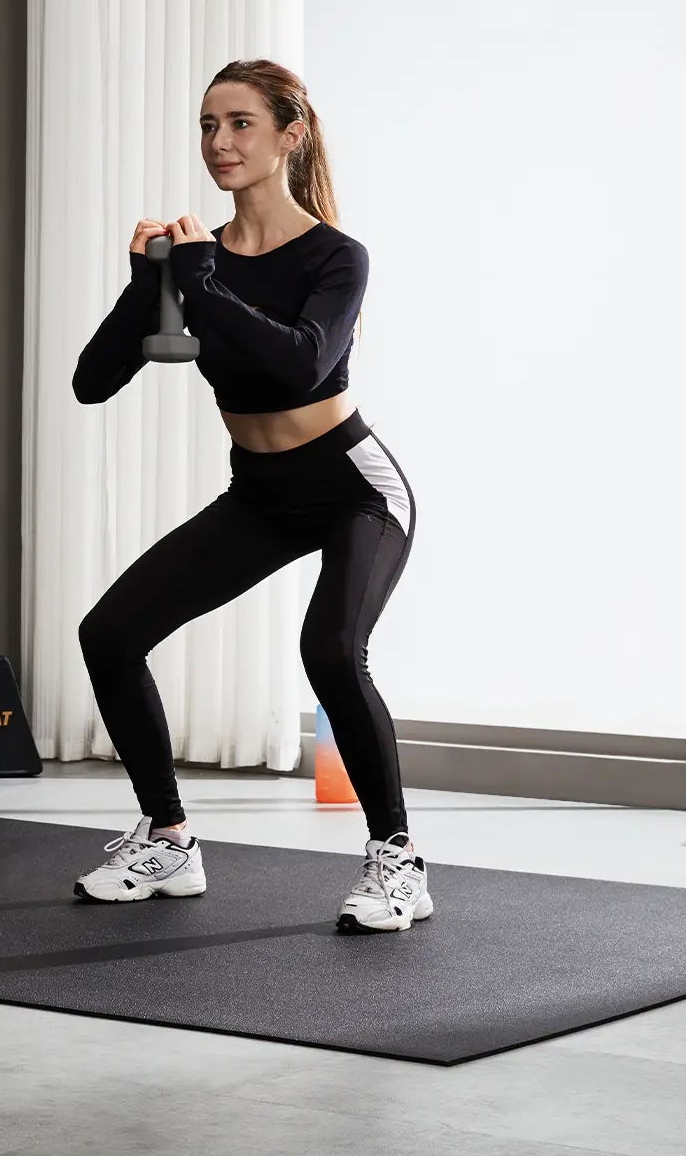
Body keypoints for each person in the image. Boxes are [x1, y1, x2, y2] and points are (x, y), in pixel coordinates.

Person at [67, 60, 426, 932]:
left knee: (331, 651)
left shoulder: (335, 256)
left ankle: (399, 861)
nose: (218, 143)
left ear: (289, 136)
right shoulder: (200, 260)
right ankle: (168, 840)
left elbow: (300, 363)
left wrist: (199, 279)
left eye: (239, 124)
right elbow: (91, 382)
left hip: (354, 486)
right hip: (261, 492)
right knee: (110, 634)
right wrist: (147, 286)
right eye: (207, 125)